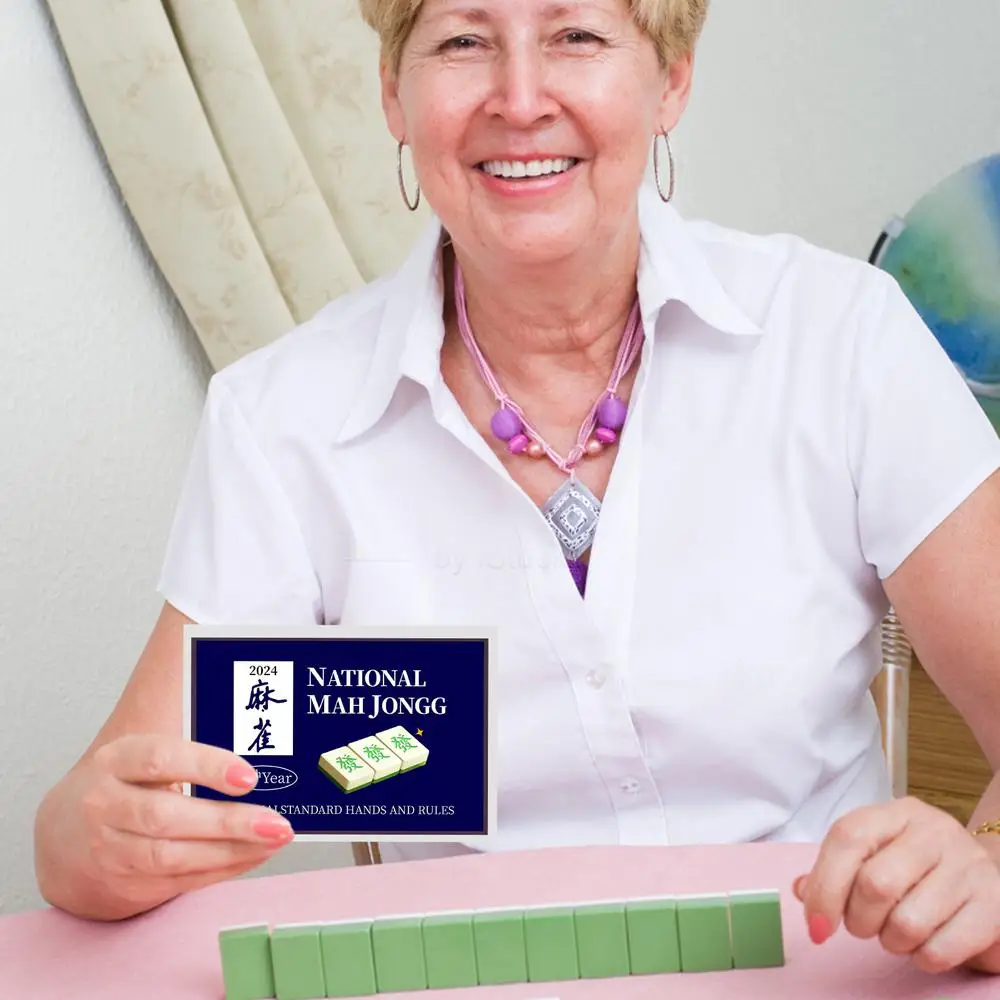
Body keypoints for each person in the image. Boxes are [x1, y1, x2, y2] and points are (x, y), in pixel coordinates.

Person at [33, 0, 1000, 975]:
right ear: (393, 95)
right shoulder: (280, 419)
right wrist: (95, 840)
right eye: (463, 41)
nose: (521, 98)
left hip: (821, 968)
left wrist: (987, 865)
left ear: (670, 80)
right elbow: (92, 835)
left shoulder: (839, 336)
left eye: (576, 36)